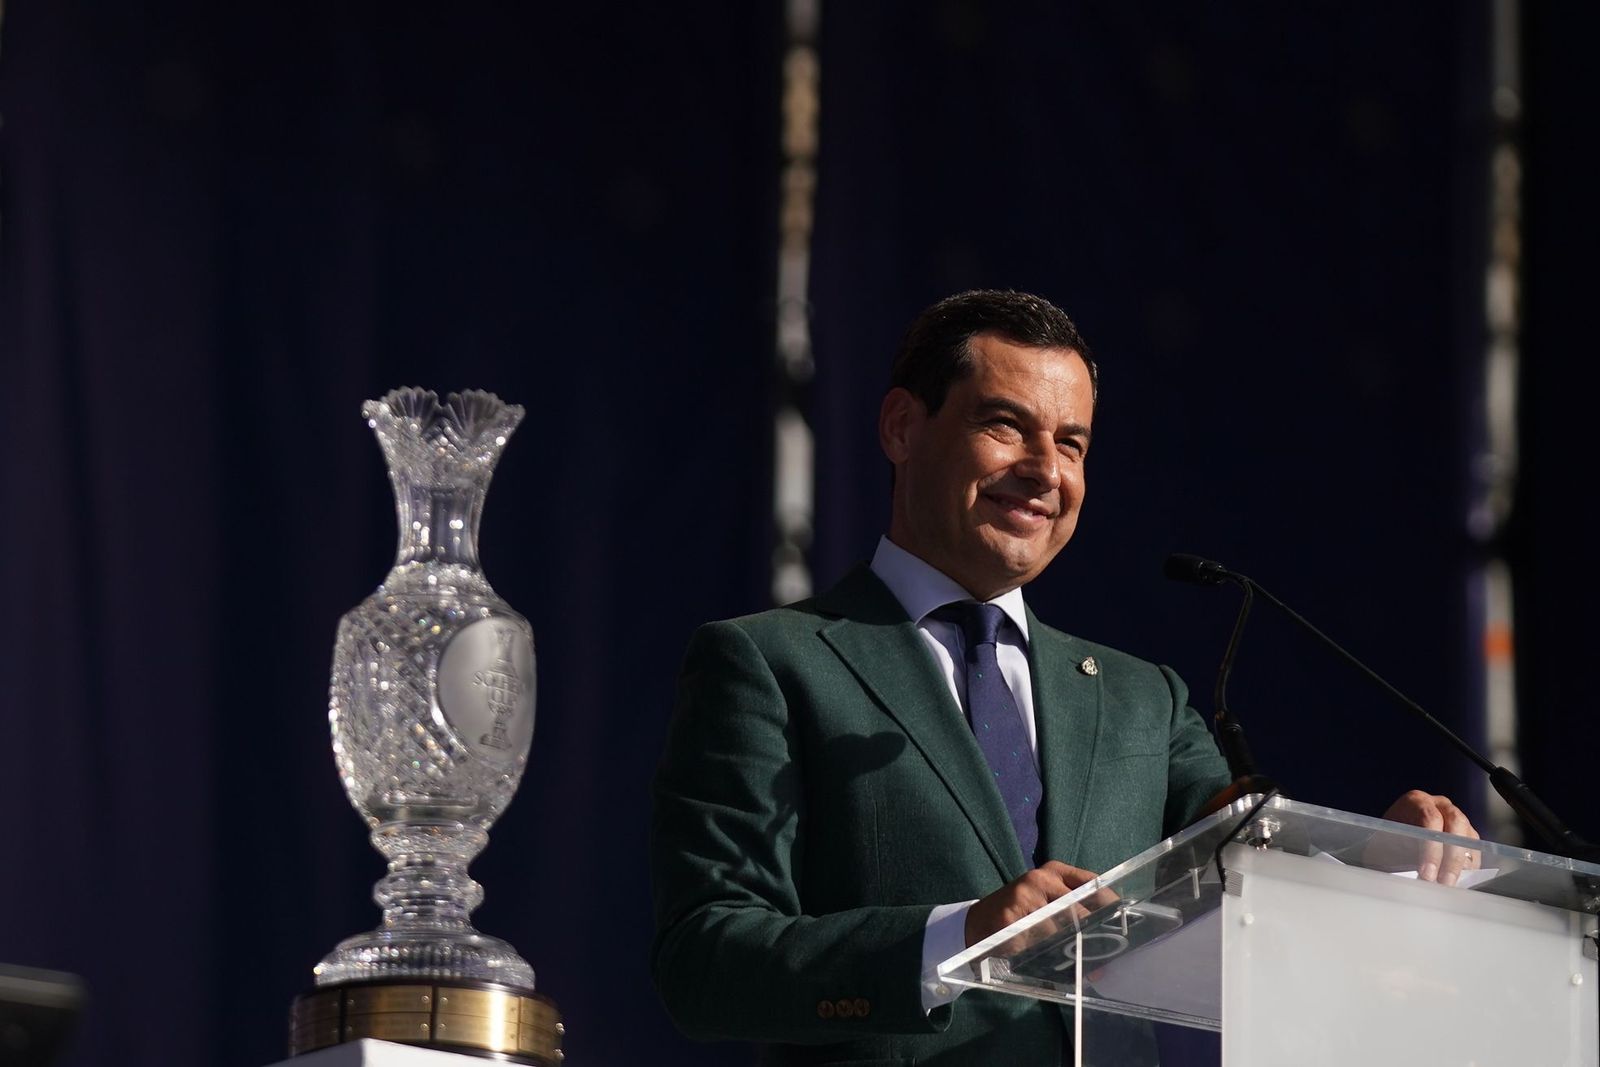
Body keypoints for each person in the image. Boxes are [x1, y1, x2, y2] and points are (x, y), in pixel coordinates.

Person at [650, 290, 1478, 1066]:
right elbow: (706, 960)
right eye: (1006, 425)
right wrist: (960, 935)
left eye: (1072, 442)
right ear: (902, 426)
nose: (1046, 469)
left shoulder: (1140, 697)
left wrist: (1373, 854)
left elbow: (1244, 856)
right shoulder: (772, 662)